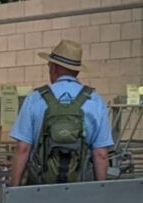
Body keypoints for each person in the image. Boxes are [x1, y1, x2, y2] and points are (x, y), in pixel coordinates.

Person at [9, 39, 113, 185]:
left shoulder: (35, 99)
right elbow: (101, 154)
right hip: (80, 192)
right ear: (77, 71)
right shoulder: (95, 102)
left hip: (41, 191)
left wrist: (14, 189)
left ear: (54, 68)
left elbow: (22, 148)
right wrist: (100, 192)